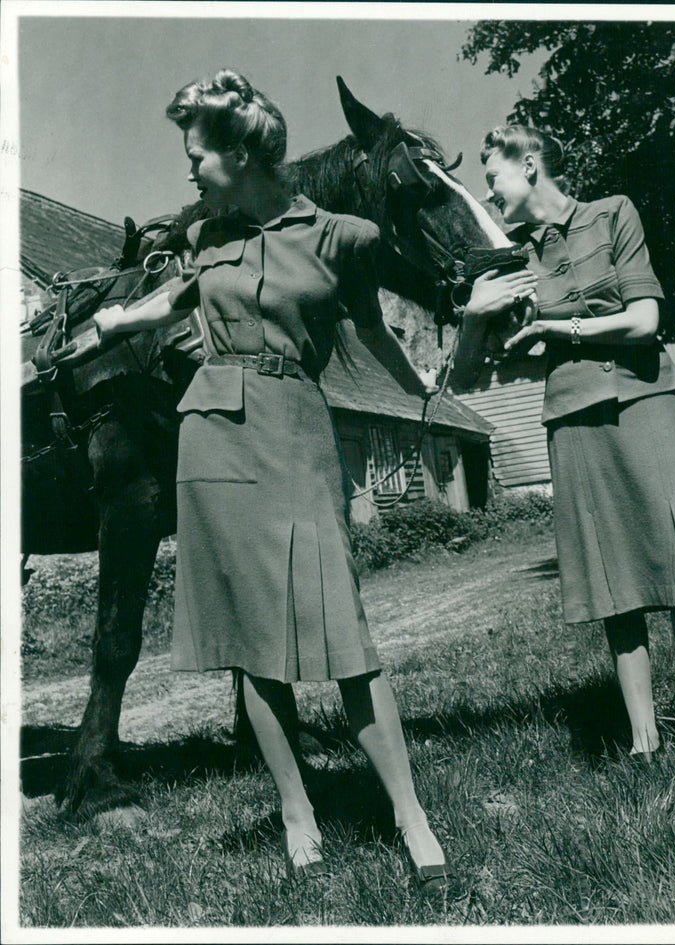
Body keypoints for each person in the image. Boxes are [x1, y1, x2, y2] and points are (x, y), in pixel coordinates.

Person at [93, 69, 456, 889]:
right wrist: (116, 317)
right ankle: (297, 808)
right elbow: (173, 304)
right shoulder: (200, 239)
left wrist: (426, 391)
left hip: (296, 426)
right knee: (253, 646)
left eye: (199, 152)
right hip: (213, 435)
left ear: (244, 152)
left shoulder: (342, 237)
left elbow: (372, 332)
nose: (190, 167)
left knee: (346, 638)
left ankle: (410, 812)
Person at [450, 124, 675, 775]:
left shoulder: (613, 213)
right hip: (573, 423)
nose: (488, 191)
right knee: (616, 586)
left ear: (530, 164)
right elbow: (467, 381)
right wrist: (477, 316)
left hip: (647, 404)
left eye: (493, 174)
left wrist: (558, 327)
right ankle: (644, 743)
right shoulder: (510, 261)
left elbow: (646, 321)